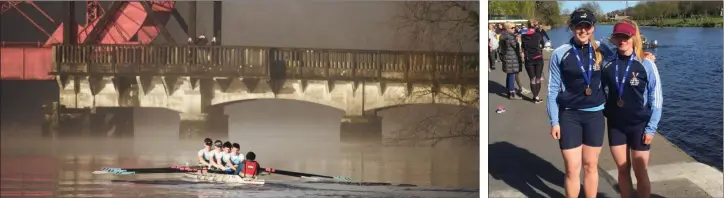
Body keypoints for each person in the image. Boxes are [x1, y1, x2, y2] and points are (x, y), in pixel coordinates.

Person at [548, 9, 656, 198]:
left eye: (587, 26)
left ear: (593, 28)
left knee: (590, 166)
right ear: (572, 27)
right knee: (572, 169)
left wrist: (643, 57)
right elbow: (552, 89)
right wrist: (554, 121)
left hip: (595, 116)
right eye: (578, 26)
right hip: (569, 115)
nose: (583, 30)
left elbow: (622, 55)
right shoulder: (560, 53)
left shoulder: (601, 49)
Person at [601, 19, 662, 198]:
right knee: (622, 169)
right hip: (616, 125)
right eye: (618, 36)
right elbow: (600, 89)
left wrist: (651, 128)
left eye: (626, 36)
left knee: (640, 172)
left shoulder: (646, 64)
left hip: (639, 126)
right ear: (614, 38)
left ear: (633, 38)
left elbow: (656, 99)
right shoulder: (607, 63)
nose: (622, 40)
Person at [521, 20, 546, 103]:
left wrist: (523, 56)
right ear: (536, 26)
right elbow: (543, 44)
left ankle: (535, 97)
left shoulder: (523, 36)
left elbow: (523, 47)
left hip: (529, 59)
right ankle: (536, 97)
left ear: (528, 26)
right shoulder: (538, 35)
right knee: (538, 79)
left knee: (532, 79)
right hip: (538, 58)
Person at [499, 23, 523, 100]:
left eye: (515, 27)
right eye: (512, 28)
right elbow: (516, 46)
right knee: (512, 75)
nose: (514, 29)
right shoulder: (510, 37)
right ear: (508, 28)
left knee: (510, 74)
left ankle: (509, 90)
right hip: (511, 57)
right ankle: (512, 93)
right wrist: (518, 40)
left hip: (506, 56)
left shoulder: (503, 35)